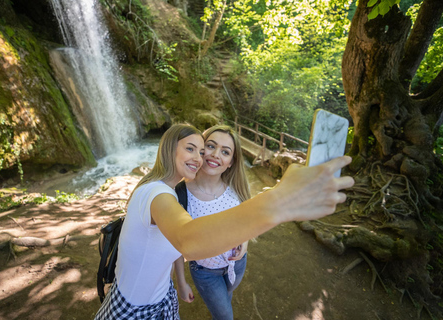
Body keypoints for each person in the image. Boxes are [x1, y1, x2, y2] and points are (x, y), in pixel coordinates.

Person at [94, 123, 354, 320]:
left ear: (231, 162)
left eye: (200, 149)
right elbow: (188, 239)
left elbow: (175, 242)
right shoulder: (157, 194)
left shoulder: (170, 191)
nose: (200, 157)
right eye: (191, 148)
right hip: (137, 308)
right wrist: (280, 200)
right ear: (168, 148)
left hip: (164, 296)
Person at [175, 125, 251, 319]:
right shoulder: (180, 194)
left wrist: (245, 241)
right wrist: (181, 282)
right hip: (206, 272)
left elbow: (245, 221)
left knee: (226, 298)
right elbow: (175, 245)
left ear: (231, 162)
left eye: (225, 152)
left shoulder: (235, 187)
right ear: (201, 148)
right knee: (225, 316)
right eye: (211, 146)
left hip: (237, 265)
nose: (216, 155)